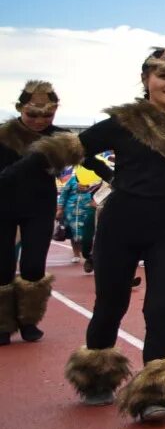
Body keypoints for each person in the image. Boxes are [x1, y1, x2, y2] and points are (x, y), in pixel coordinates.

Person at [43, 49, 165, 420]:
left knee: (161, 306)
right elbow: (72, 150)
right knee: (110, 304)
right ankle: (97, 376)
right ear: (146, 78)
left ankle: (155, 392)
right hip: (120, 225)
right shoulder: (122, 122)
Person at [0, 81, 74, 345]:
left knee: (33, 266)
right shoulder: (4, 135)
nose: (40, 120)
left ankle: (29, 320)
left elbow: (90, 156)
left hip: (39, 208)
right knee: (2, 267)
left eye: (47, 115)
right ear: (20, 108)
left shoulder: (59, 137)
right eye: (33, 114)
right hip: (3, 207)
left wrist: (115, 174)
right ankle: (2, 323)